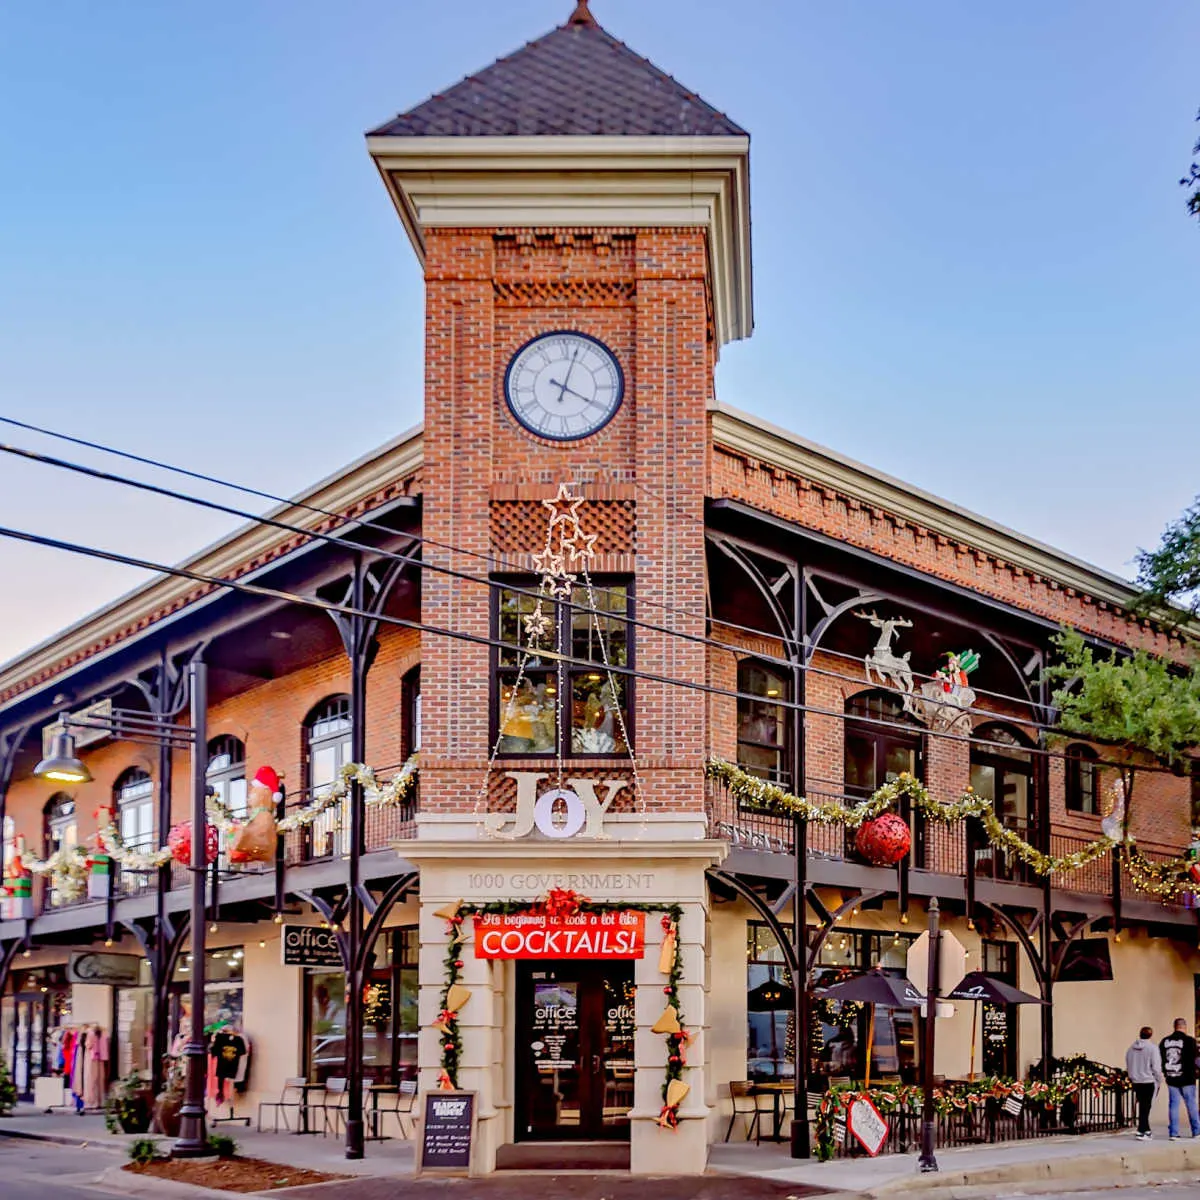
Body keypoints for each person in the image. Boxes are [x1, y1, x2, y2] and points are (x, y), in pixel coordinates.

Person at [1159, 1018, 1200, 1140]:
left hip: (1172, 1078)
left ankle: (1174, 1133)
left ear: (1174, 1026)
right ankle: (1196, 1131)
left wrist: (1165, 1072)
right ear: (1184, 1027)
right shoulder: (1189, 1041)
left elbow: (1160, 1059)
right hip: (1187, 1078)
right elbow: (1196, 1059)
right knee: (1191, 1104)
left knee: (1173, 1105)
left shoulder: (1164, 1041)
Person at [1126, 1025, 1164, 1139]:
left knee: (1143, 1106)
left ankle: (1146, 1130)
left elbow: (1128, 1063)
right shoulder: (1153, 1048)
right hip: (1148, 1080)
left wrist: (1132, 1076)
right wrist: (1159, 1079)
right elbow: (1156, 1067)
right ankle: (1141, 1130)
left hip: (1136, 1081)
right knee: (1146, 1107)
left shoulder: (1131, 1048)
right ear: (1150, 1035)